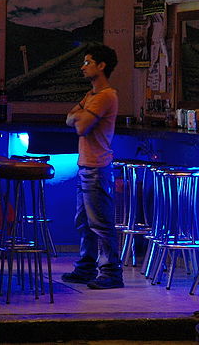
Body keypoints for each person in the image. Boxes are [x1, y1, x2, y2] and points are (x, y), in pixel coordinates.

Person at [62, 44, 123, 289]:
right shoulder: (91, 96)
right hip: (86, 167)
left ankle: (110, 273)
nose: (83, 67)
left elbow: (80, 127)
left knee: (100, 223)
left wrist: (80, 115)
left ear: (102, 66)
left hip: (97, 168)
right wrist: (81, 114)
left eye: (88, 62)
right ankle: (86, 268)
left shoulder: (106, 95)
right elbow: (69, 116)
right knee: (84, 222)